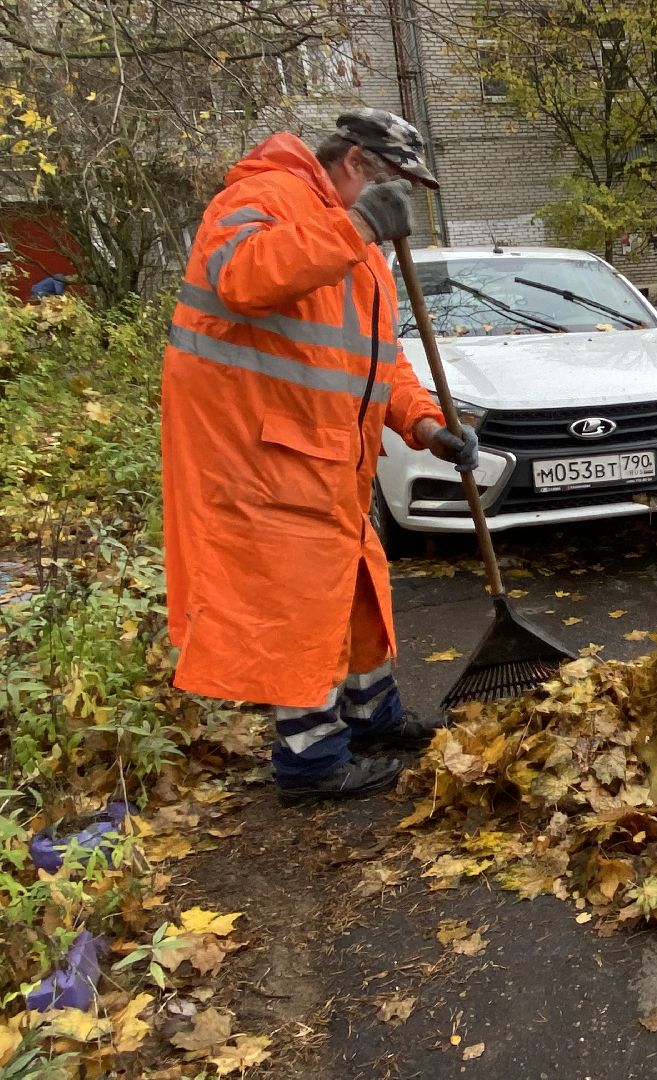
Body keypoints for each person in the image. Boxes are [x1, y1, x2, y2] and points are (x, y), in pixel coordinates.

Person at [162, 109, 480, 807]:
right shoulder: (261, 197)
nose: (404, 209)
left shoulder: (358, 250)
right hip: (258, 454)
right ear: (360, 166)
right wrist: (359, 225)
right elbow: (242, 276)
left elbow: (377, 361)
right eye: (398, 186)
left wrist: (425, 425)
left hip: (328, 456)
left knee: (357, 593)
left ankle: (372, 721)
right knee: (296, 610)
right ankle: (312, 764)